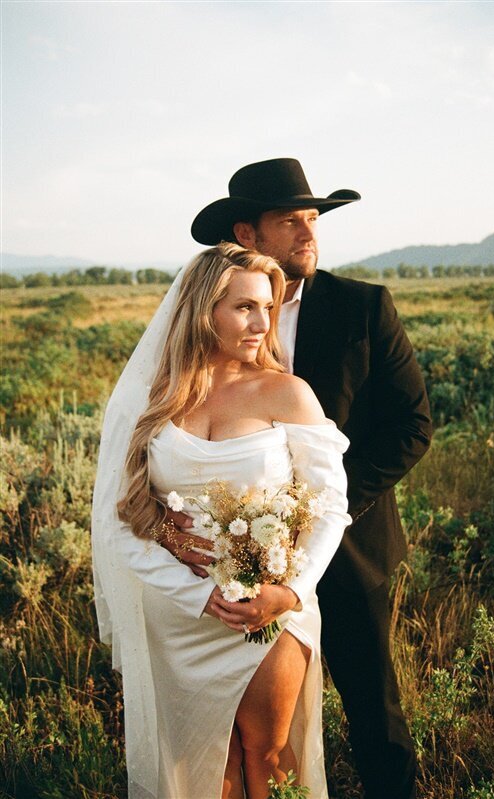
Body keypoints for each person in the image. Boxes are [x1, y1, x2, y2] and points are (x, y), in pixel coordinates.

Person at [163, 158, 432, 799]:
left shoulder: (365, 307)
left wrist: (312, 514)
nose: (309, 232)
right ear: (247, 234)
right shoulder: (207, 320)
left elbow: (411, 428)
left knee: (374, 706)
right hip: (234, 565)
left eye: (314, 219)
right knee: (250, 734)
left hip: (352, 549)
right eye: (291, 221)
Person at [91, 242, 352, 798]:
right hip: (177, 611)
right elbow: (116, 521)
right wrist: (192, 594)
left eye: (268, 306)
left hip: (269, 608)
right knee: (200, 759)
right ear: (201, 309)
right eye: (243, 307)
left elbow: (330, 506)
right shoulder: (150, 399)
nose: (263, 322)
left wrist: (291, 592)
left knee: (268, 750)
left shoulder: (288, 392)